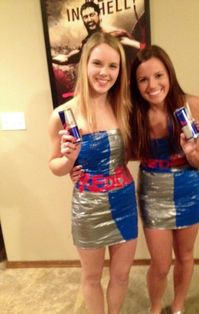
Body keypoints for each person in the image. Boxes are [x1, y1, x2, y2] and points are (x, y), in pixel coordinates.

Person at [48, 32, 138, 314]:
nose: (105, 72)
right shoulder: (63, 115)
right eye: (98, 63)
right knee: (91, 277)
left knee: (122, 275)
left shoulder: (124, 108)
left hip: (123, 200)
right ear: (85, 64)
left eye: (113, 66)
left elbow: (130, 153)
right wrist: (68, 160)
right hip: (88, 206)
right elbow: (55, 167)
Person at [129, 45, 199, 314]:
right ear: (136, 84)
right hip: (153, 193)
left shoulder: (195, 105)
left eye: (159, 75)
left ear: (169, 74)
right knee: (160, 264)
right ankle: (154, 308)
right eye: (143, 79)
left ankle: (177, 306)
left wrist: (191, 151)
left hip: (188, 190)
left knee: (185, 256)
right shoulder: (134, 114)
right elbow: (125, 154)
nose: (152, 85)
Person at [53, 1, 141, 66]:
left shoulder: (116, 35)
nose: (89, 20)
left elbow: (141, 50)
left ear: (98, 15)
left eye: (92, 15)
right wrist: (49, 59)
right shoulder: (87, 43)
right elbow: (66, 58)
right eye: (86, 17)